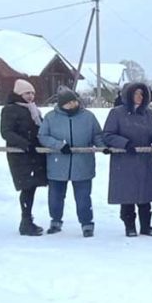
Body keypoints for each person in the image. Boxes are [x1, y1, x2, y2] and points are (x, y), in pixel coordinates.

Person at [38, 88, 104, 236]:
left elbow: (97, 135)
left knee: (83, 197)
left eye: (74, 101)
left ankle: (87, 224)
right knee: (55, 197)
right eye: (68, 102)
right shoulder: (50, 117)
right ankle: (55, 221)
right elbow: (43, 136)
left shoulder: (88, 117)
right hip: (57, 164)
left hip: (82, 164)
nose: (72, 104)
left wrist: (103, 147)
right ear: (61, 104)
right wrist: (59, 145)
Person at [103, 82, 152, 236]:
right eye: (136, 94)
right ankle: (129, 226)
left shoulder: (148, 114)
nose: (139, 97)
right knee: (127, 195)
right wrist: (124, 143)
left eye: (142, 94)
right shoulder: (116, 113)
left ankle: (146, 226)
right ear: (128, 95)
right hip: (124, 161)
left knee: (144, 195)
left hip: (144, 160)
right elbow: (108, 135)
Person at [0, 79, 48, 236]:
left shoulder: (33, 109)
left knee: (32, 187)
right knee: (27, 187)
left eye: (32, 93)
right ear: (19, 93)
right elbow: (6, 132)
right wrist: (24, 144)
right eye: (27, 93)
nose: (30, 96)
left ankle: (27, 220)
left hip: (35, 153)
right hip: (20, 155)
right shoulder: (10, 110)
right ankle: (25, 221)